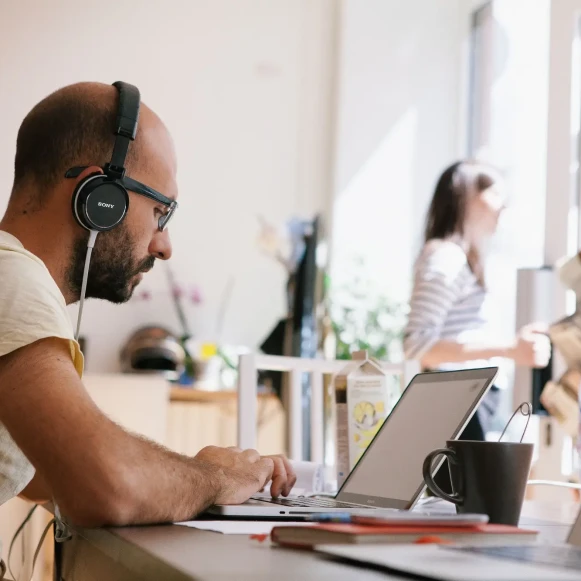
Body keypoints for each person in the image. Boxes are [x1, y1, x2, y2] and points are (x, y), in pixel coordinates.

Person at [0, 82, 296, 527]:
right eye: (161, 212)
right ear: (99, 199)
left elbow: (47, 474)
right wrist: (216, 478)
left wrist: (195, 472)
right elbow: (106, 487)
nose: (164, 246)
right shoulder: (12, 280)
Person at [404, 160, 551, 446]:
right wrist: (509, 350)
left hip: (465, 399)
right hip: (458, 401)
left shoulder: (459, 257)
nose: (502, 206)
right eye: (495, 194)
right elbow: (417, 345)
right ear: (468, 197)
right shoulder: (447, 257)